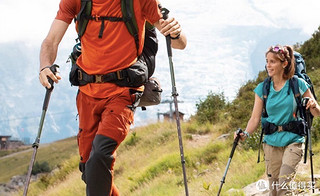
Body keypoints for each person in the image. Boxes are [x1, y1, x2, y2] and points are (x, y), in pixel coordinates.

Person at [38, 0, 187, 195]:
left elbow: (179, 43)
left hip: (123, 91)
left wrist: (176, 32)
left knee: (100, 155)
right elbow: (51, 41)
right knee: (89, 170)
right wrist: (45, 66)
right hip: (87, 93)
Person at [236, 45, 320, 196]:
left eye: (273, 61)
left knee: (283, 187)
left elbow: (317, 112)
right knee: (274, 191)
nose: (268, 65)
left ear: (284, 64)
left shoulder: (298, 84)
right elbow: (255, 118)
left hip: (293, 141)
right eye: (267, 61)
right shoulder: (263, 88)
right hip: (271, 144)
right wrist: (245, 134)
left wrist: (312, 104)